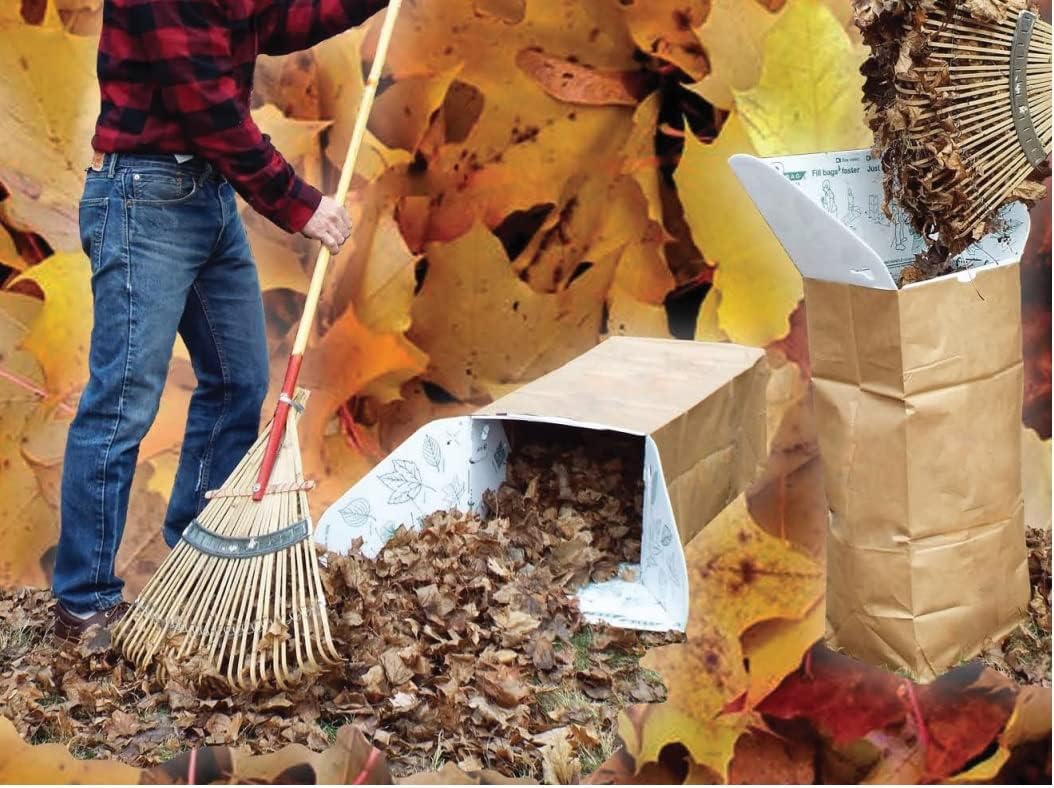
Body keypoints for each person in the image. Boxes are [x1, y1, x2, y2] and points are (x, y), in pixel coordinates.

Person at [51, 0, 388, 645]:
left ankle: (193, 569)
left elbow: (277, 20)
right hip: (143, 200)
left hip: (205, 195)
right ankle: (83, 602)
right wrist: (300, 204)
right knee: (122, 405)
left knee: (236, 383)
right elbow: (207, 107)